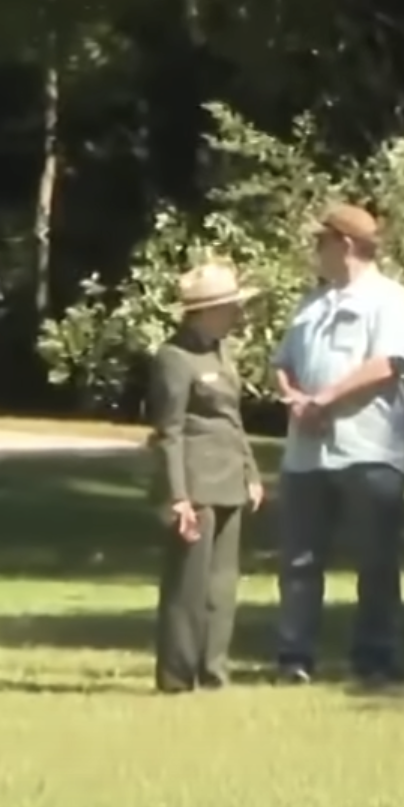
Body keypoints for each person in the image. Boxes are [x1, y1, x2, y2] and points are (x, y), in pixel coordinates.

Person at [271, 203, 404, 686]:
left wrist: (324, 400)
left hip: (369, 448)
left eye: (321, 241)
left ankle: (375, 656)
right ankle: (294, 656)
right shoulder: (311, 304)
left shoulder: (390, 299)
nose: (315, 250)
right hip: (307, 451)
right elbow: (282, 360)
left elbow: (387, 365)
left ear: (346, 244)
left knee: (376, 559)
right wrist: (294, 398)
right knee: (299, 559)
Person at [144, 263, 267, 693]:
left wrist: (251, 471)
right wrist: (177, 496)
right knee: (188, 586)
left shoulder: (222, 352)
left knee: (222, 584)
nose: (237, 314)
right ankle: (177, 676)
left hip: (230, 477)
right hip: (195, 480)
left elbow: (232, 418)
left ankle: (214, 670)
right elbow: (169, 431)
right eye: (230, 307)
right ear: (203, 312)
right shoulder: (173, 359)